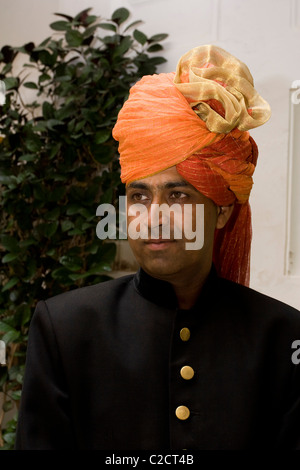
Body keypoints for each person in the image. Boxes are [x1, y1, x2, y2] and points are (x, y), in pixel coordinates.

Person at [15, 45, 300, 450]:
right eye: (139, 196)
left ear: (220, 211)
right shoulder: (65, 329)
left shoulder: (283, 337)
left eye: (179, 196)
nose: (154, 217)